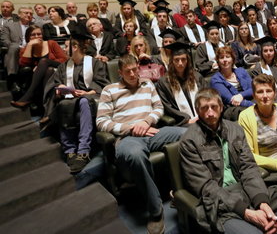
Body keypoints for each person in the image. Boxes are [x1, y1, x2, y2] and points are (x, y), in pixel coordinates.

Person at [180, 88, 277, 233]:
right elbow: (206, 187)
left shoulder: (235, 129)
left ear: (221, 107)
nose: (210, 113)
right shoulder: (189, 141)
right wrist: (246, 212)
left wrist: (261, 202)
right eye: (204, 108)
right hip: (219, 201)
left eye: (214, 107)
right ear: (197, 110)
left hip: (246, 188)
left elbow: (249, 168)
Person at [97, 54, 185, 234]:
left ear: (138, 67)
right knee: (135, 155)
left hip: (152, 132)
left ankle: (182, 191)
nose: (132, 73)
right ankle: (155, 210)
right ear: (119, 72)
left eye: (134, 69)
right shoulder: (109, 90)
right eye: (127, 71)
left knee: (187, 134)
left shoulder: (147, 84)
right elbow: (101, 122)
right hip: (128, 138)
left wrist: (145, 123)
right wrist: (130, 128)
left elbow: (158, 108)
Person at [44, 30, 110, 172]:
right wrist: (60, 88)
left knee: (83, 102)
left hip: (90, 98)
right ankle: (69, 151)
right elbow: (55, 84)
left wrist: (88, 92)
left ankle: (83, 151)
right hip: (69, 99)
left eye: (66, 46)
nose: (64, 50)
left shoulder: (94, 63)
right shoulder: (63, 66)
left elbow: (102, 83)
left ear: (74, 47)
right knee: (62, 105)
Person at [11, 25, 67, 109]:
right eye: (33, 35)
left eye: (39, 34)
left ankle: (27, 97)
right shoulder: (26, 48)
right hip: (42, 76)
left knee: (44, 62)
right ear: (28, 37)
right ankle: (47, 107)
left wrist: (42, 65)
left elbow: (63, 60)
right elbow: (23, 64)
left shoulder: (51, 43)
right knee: (49, 70)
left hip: (58, 69)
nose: (37, 36)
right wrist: (29, 46)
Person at [156, 42, 206, 126]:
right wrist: (186, 119)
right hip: (182, 122)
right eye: (177, 60)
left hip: (203, 116)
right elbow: (167, 107)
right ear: (171, 61)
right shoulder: (164, 82)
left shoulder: (197, 77)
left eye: (183, 59)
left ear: (188, 60)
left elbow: (206, 96)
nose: (180, 63)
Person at [210, 46, 254, 120]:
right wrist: (254, 105)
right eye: (221, 57)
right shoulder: (215, 80)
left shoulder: (241, 71)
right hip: (232, 109)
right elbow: (230, 100)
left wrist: (241, 95)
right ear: (218, 61)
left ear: (232, 59)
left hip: (250, 100)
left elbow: (253, 88)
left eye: (227, 56)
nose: (225, 60)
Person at [1, 6, 34, 81]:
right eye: (26, 13)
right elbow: (5, 40)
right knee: (13, 47)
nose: (29, 15)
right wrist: (18, 46)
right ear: (19, 15)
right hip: (15, 49)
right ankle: (12, 77)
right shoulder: (9, 25)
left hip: (31, 48)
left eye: (31, 14)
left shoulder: (34, 26)